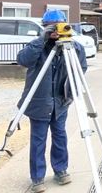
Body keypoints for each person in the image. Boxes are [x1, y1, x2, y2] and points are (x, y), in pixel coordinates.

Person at [17, 10, 87, 193]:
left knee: (60, 137)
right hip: (40, 103)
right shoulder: (37, 45)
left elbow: (81, 69)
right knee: (38, 140)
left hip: (60, 102)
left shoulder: (73, 47)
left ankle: (61, 169)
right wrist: (42, 39)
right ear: (44, 26)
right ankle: (37, 178)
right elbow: (23, 60)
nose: (56, 30)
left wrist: (71, 93)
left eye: (59, 25)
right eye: (51, 26)